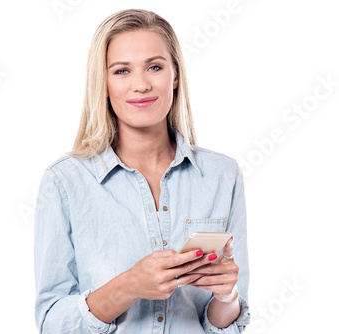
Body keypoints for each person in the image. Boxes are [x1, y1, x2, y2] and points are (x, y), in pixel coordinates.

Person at [34, 8, 250, 334]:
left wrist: (226, 296)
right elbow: (52, 323)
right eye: (122, 71)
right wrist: (129, 285)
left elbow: (227, 323)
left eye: (154, 67)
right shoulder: (64, 182)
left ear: (175, 75)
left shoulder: (224, 176)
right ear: (103, 83)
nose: (141, 84)